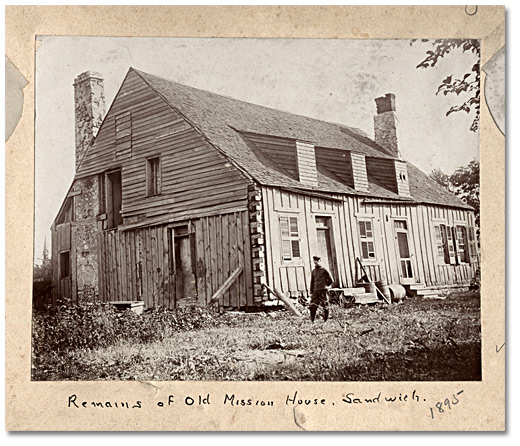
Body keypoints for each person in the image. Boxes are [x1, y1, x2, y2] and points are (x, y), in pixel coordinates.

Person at [309, 256, 333, 322]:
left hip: (323, 290)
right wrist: (311, 291)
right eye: (314, 261)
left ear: (320, 261)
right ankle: (312, 321)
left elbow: (331, 280)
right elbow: (312, 282)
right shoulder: (313, 271)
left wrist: (325, 285)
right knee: (313, 305)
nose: (316, 262)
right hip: (315, 291)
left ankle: (325, 320)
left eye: (317, 260)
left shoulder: (324, 270)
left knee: (325, 304)